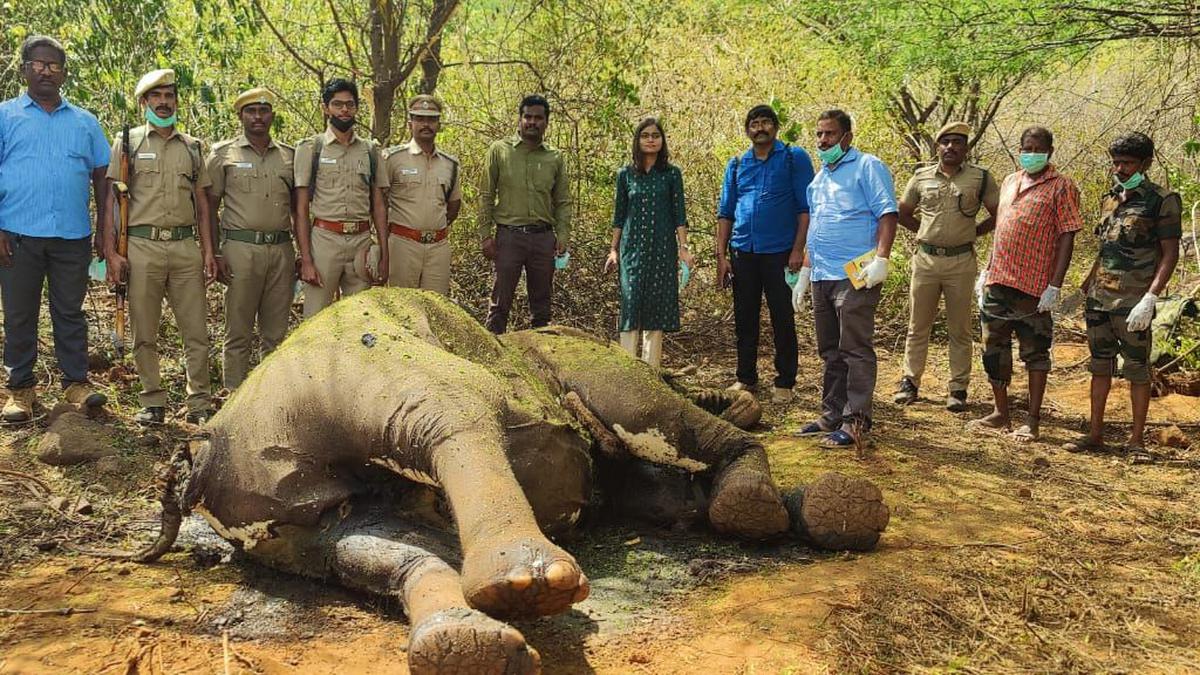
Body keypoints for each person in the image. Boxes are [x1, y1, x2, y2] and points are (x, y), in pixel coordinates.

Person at [0, 35, 110, 422]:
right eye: (39, 64)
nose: (46, 70)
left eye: (54, 65)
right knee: (18, 313)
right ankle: (20, 391)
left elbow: (102, 177)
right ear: (24, 68)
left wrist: (104, 231)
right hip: (16, 234)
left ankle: (76, 384)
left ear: (63, 73)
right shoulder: (5, 116)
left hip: (72, 234)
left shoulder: (85, 122)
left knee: (69, 311)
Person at [103, 68, 216, 425]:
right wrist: (111, 253)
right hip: (142, 247)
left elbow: (202, 205)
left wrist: (209, 251)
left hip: (185, 247)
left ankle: (199, 403)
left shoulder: (193, 148)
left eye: (169, 96)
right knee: (144, 330)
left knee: (196, 331)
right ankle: (153, 401)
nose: (164, 103)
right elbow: (112, 201)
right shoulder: (128, 143)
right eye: (156, 97)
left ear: (177, 101)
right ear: (144, 103)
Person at [1066, 132, 1180, 454]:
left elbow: (1169, 254)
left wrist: (1151, 298)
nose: (1120, 168)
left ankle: (1136, 441)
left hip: (1133, 302)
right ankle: (1095, 434)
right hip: (1100, 299)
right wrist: (1086, 284)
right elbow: (1106, 246)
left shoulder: (1162, 200)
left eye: (1127, 163)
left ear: (1146, 163)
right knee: (1099, 366)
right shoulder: (1111, 197)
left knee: (1136, 371)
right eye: (1116, 162)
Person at [972, 125, 1080, 442]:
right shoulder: (1010, 181)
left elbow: (1067, 235)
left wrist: (1055, 285)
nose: (1031, 154)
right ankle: (1000, 413)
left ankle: (1032, 421)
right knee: (993, 348)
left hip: (1034, 286)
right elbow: (1001, 228)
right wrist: (986, 271)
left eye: (1037, 149)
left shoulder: (1062, 187)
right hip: (997, 280)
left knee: (1035, 353)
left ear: (1049, 152)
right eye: (1026, 148)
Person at [796, 109, 897, 447]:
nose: (823, 141)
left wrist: (882, 258)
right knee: (829, 349)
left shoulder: (868, 166)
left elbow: (887, 212)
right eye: (819, 135)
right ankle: (831, 413)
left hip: (857, 272)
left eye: (830, 134)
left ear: (847, 137)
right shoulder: (819, 178)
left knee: (855, 347)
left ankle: (856, 421)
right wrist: (804, 273)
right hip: (822, 274)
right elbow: (814, 228)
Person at [893, 122, 1000, 412]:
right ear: (937, 146)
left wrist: (973, 233)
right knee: (918, 325)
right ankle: (910, 382)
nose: (951, 147)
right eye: (946, 142)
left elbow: (998, 213)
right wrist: (922, 231)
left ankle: (958, 388)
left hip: (961, 262)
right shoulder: (921, 177)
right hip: (926, 259)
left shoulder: (980, 178)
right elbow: (902, 212)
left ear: (966, 148)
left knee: (960, 328)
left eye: (957, 142)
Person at [715, 104, 814, 403]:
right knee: (745, 318)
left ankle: (785, 381)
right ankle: (745, 378)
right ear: (747, 130)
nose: (760, 128)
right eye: (754, 123)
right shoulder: (736, 163)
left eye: (766, 122)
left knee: (782, 317)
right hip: (743, 251)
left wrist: (799, 249)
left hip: (781, 253)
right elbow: (725, 212)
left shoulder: (793, 158)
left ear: (775, 127)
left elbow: (805, 208)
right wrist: (721, 256)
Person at [206, 88, 296, 389]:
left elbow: (299, 208)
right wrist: (215, 253)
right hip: (240, 250)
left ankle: (270, 397)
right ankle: (235, 395)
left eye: (264, 111)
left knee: (276, 334)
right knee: (238, 331)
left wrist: (302, 253)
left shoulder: (290, 156)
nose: (258, 117)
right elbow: (208, 206)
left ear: (272, 115)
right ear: (240, 115)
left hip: (281, 250)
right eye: (251, 112)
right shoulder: (223, 155)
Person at [294, 78, 389, 319]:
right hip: (325, 241)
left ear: (357, 108)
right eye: (337, 104)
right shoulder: (311, 149)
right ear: (326, 108)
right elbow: (301, 207)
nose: (344, 110)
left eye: (350, 104)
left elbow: (378, 206)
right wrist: (306, 259)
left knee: (362, 320)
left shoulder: (370, 150)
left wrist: (384, 254)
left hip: (361, 242)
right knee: (316, 320)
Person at [605, 118, 695, 367]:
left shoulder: (671, 174)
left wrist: (684, 249)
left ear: (662, 140)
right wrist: (613, 250)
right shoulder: (625, 175)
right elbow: (619, 216)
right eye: (645, 135)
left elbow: (679, 215)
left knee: (656, 307)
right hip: (631, 251)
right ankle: (627, 371)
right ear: (637, 140)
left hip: (662, 249)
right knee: (631, 303)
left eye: (656, 135)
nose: (651, 139)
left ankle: (651, 374)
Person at [478, 94, 571, 334]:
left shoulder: (555, 158)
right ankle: (492, 358)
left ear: (546, 122)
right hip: (509, 237)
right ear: (519, 119)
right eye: (527, 117)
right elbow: (486, 195)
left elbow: (562, 201)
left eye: (538, 118)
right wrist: (485, 236)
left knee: (542, 307)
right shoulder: (500, 151)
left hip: (543, 239)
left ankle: (541, 362)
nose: (532, 122)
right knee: (500, 304)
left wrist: (562, 235)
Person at [383, 95, 461, 294]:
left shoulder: (450, 164)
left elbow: (453, 207)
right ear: (410, 123)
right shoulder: (392, 159)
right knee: (401, 309)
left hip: (438, 248)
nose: (426, 124)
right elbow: (378, 203)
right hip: (403, 245)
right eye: (420, 118)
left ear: (439, 124)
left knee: (436, 309)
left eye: (431, 119)